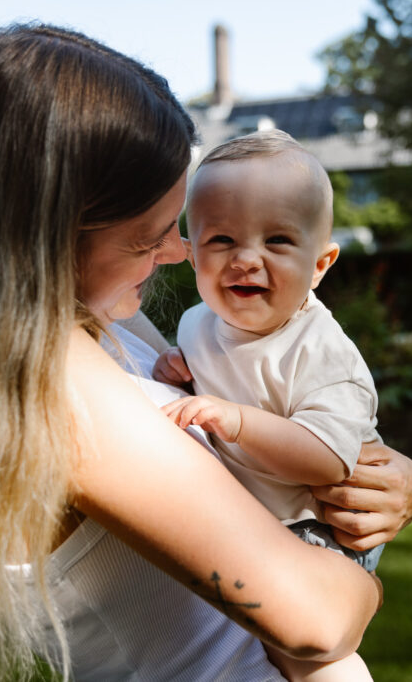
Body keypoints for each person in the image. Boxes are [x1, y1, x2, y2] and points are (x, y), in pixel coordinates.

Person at [0, 23, 412, 682]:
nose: (174, 253)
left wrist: (400, 482)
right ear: (45, 233)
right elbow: (318, 621)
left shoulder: (104, 332)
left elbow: (247, 418)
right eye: (148, 237)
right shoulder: (57, 385)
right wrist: (359, 578)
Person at [151, 130, 381, 681]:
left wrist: (236, 421)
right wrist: (180, 370)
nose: (246, 259)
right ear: (191, 252)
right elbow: (218, 371)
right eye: (222, 240)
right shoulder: (198, 323)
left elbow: (328, 459)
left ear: (320, 263)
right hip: (256, 518)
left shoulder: (322, 352)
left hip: (317, 525)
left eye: (277, 240)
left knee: (304, 649)